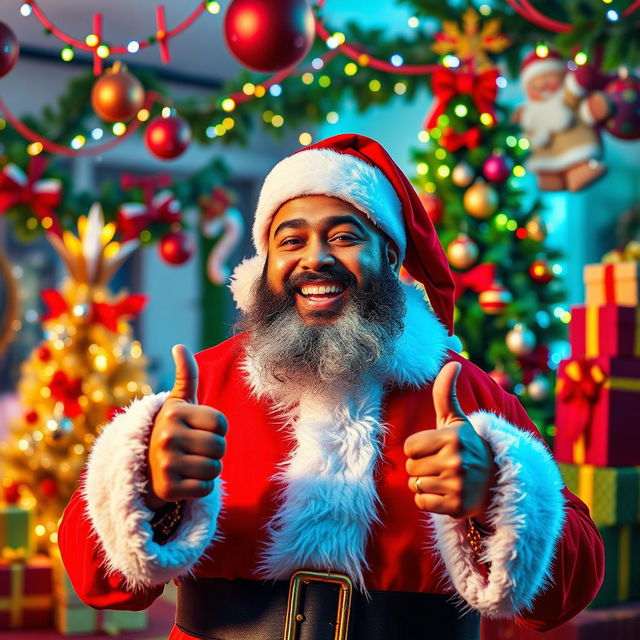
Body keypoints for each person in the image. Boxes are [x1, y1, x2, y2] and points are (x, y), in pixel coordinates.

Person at [58, 134, 604, 640]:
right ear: (265, 264)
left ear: (390, 256)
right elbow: (98, 583)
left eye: (344, 236)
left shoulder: (463, 392)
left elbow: (567, 594)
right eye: (290, 239)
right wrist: (144, 488)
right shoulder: (202, 386)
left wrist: (497, 498)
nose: (315, 258)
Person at [513, 47, 610, 192]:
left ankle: (579, 173)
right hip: (544, 156)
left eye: (547, 80)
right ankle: (550, 179)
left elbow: (578, 84)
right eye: (535, 85)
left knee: (580, 165)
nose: (541, 86)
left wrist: (593, 106)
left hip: (577, 148)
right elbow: (516, 120)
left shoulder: (566, 97)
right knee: (546, 173)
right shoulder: (529, 112)